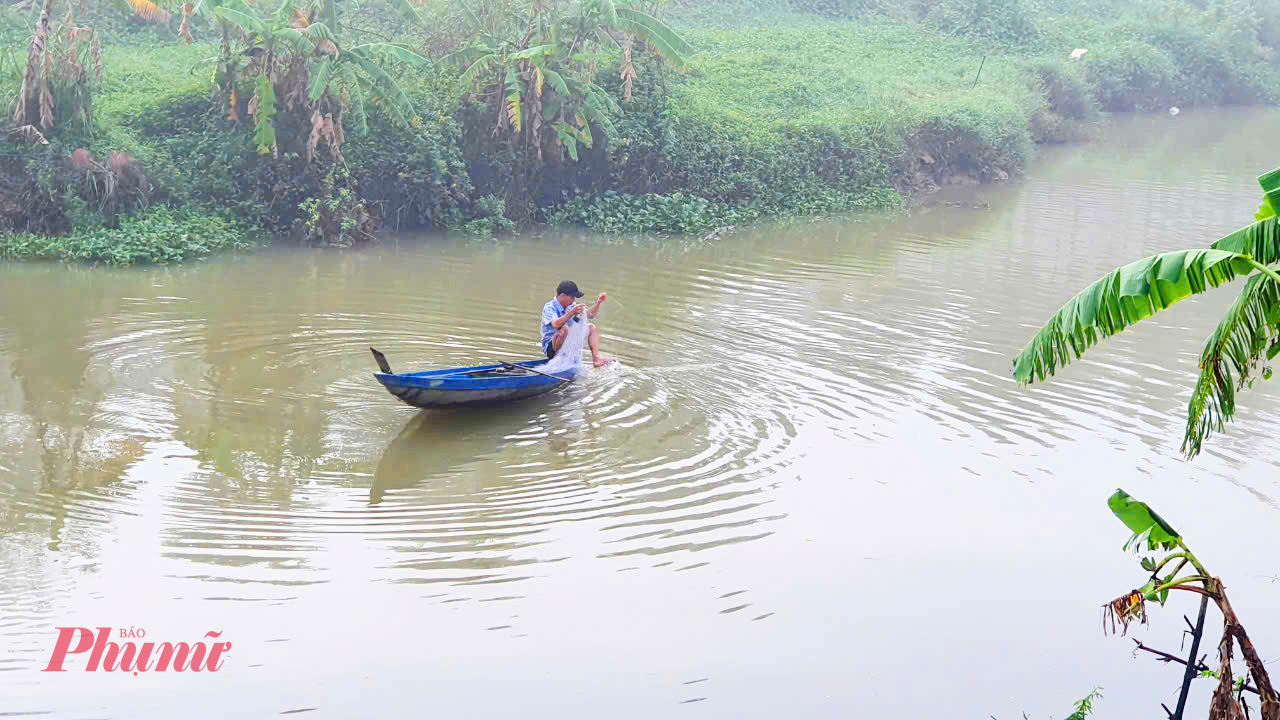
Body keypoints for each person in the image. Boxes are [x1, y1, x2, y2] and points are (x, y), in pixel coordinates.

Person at [540, 280, 613, 367]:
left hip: (567, 345)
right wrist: (571, 312)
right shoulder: (549, 307)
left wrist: (599, 302)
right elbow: (556, 324)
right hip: (551, 349)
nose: (573, 300)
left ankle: (596, 359)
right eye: (572, 297)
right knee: (564, 329)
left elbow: (590, 315)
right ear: (562, 295)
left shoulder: (571, 306)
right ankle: (558, 359)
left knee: (591, 327)